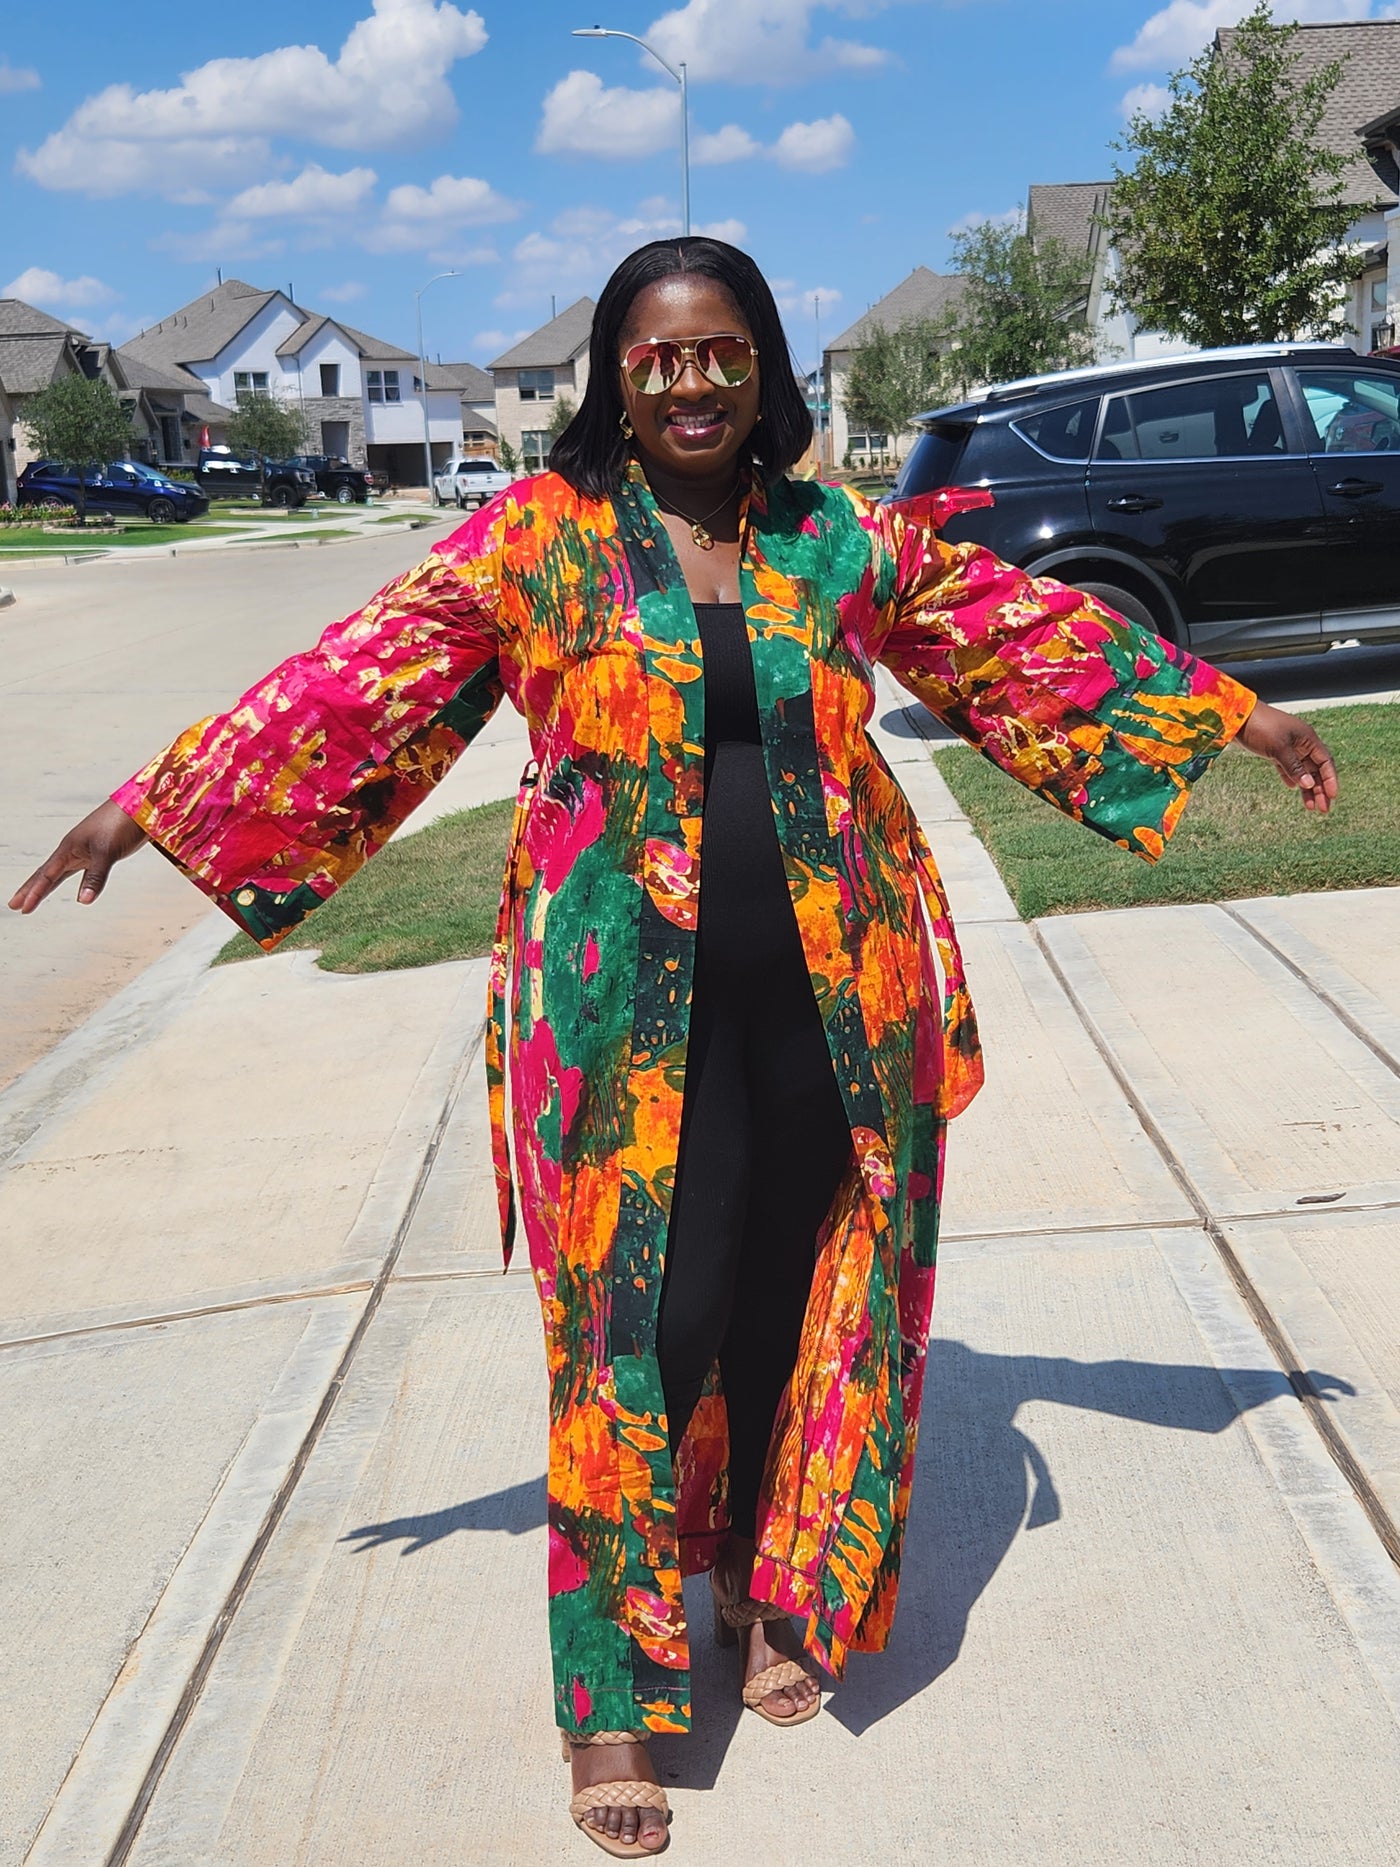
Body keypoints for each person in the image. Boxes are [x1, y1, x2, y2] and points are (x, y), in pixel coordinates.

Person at [10, 238, 1336, 1859]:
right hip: (619, 1011)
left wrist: (1227, 711)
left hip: (838, 990)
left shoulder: (831, 533)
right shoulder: (540, 540)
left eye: (721, 355)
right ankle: (611, 1703)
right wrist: (155, 799)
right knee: (642, 1320)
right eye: (659, 357)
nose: (692, 383)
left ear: (764, 368)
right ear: (615, 379)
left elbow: (1013, 632)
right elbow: (355, 684)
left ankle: (768, 1584)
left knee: (794, 1301)